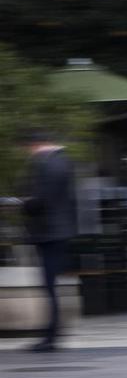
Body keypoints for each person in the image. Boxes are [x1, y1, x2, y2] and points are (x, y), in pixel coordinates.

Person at [19, 129, 77, 352]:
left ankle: (51, 337)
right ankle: (52, 334)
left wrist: (24, 204)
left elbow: (42, 200)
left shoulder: (49, 164)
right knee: (50, 285)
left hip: (50, 233)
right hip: (58, 232)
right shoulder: (62, 161)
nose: (30, 153)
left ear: (36, 144)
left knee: (49, 286)